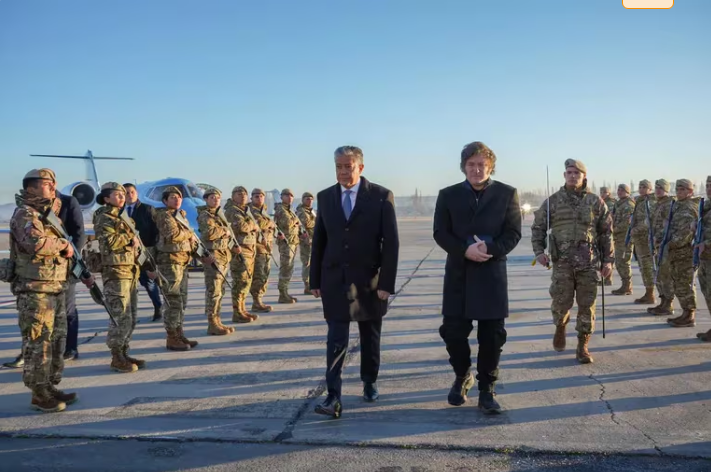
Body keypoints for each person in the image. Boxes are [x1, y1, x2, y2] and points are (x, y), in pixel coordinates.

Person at [310, 145, 399, 419]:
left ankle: (369, 380)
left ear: (360, 167)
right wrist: (314, 279)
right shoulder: (325, 197)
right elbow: (320, 240)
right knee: (335, 338)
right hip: (334, 279)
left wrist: (387, 282)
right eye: (338, 166)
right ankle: (333, 394)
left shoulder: (381, 196)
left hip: (368, 280)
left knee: (370, 335)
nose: (342, 171)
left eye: (348, 166)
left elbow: (391, 243)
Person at [433, 141, 522, 414]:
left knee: (492, 336)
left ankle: (487, 389)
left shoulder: (507, 194)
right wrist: (465, 250)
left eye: (482, 164)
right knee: (453, 332)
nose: (476, 169)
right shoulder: (447, 195)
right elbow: (440, 232)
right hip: (459, 273)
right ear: (464, 167)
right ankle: (462, 375)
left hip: (491, 274)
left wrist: (490, 249)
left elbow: (513, 233)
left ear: (491, 166)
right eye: (471, 164)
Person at [9, 168, 85, 411]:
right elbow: (35, 243)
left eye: (53, 183)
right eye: (47, 183)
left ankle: (50, 386)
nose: (53, 187)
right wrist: (63, 243)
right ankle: (38, 393)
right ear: (31, 187)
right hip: (35, 290)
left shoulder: (49, 215)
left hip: (55, 286)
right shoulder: (26, 214)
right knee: (38, 342)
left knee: (56, 340)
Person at [531, 159, 613, 364]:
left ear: (584, 176)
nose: (573, 176)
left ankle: (582, 345)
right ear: (564, 175)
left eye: (577, 173)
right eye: (569, 172)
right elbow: (538, 227)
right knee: (561, 301)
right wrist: (539, 252)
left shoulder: (596, 202)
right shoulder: (553, 201)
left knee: (587, 304)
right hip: (562, 263)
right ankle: (560, 326)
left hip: (589, 262)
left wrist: (608, 261)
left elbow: (606, 233)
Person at [3, 188, 86, 368]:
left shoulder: (68, 202)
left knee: (67, 310)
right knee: (34, 318)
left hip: (64, 266)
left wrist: (72, 259)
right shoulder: (30, 208)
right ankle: (28, 353)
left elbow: (78, 234)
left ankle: (70, 348)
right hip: (38, 273)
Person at [93, 182, 144, 372]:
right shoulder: (104, 218)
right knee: (119, 315)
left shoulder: (123, 217)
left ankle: (124, 351)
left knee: (130, 316)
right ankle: (116, 356)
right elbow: (108, 242)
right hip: (115, 272)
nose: (122, 197)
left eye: (123, 194)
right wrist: (130, 239)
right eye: (117, 194)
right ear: (106, 198)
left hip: (130, 270)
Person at [153, 186, 199, 351]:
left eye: (178, 197)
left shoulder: (180, 216)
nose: (176, 200)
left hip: (182, 262)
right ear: (165, 201)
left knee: (181, 301)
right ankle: (171, 337)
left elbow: (187, 238)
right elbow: (172, 235)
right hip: (170, 264)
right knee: (172, 301)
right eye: (172, 197)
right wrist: (189, 233)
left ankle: (179, 333)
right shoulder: (164, 216)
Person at [197, 187, 236, 335]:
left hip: (223, 255)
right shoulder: (204, 215)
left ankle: (217, 320)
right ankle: (212, 323)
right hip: (213, 256)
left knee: (220, 291)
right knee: (213, 291)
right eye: (212, 197)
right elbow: (208, 233)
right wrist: (224, 231)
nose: (215, 200)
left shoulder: (219, 215)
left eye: (218, 197)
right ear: (206, 199)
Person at [123, 183, 163, 323]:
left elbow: (156, 231)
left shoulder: (147, 209)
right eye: (126, 192)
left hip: (145, 251)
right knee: (128, 284)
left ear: (137, 193)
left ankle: (158, 306)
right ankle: (130, 313)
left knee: (149, 282)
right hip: (126, 253)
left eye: (132, 192)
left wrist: (154, 251)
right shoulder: (119, 211)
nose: (129, 195)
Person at [665, 179, 699, 328]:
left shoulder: (689, 208)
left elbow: (686, 233)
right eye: (678, 189)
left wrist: (670, 244)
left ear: (690, 191)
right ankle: (685, 312)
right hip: (676, 253)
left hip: (685, 253)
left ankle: (689, 315)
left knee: (685, 284)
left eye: (683, 189)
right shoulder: (678, 206)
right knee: (678, 283)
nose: (679, 192)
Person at [224, 186, 259, 323]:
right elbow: (242, 227)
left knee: (246, 281)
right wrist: (252, 224)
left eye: (244, 194)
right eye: (239, 194)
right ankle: (237, 312)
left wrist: (251, 224)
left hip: (250, 250)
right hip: (240, 251)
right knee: (240, 281)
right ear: (233, 196)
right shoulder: (232, 211)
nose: (243, 196)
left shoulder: (245, 211)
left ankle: (242, 309)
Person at [647, 179, 676, 316]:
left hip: (664, 244)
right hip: (656, 244)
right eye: (656, 187)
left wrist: (659, 238)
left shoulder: (669, 204)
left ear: (666, 190)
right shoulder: (658, 204)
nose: (658, 190)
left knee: (665, 275)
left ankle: (668, 304)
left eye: (661, 188)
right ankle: (663, 301)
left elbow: (668, 226)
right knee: (658, 274)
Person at [249, 188, 276, 313]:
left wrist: (270, 225)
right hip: (258, 247)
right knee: (259, 275)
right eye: (256, 196)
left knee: (265, 274)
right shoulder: (250, 211)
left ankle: (259, 299)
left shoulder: (263, 211)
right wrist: (269, 224)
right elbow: (258, 224)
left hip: (267, 247)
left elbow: (272, 225)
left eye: (261, 196)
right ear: (251, 198)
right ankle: (256, 301)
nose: (259, 198)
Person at [629, 180, 657, 304]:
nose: (641, 189)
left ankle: (651, 294)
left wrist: (635, 229)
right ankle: (648, 292)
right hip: (639, 240)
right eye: (640, 186)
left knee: (647, 267)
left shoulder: (650, 202)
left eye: (644, 187)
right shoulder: (640, 201)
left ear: (650, 189)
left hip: (646, 241)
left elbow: (648, 222)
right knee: (643, 267)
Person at [274, 189, 301, 303]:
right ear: (281, 197)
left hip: (292, 242)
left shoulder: (289, 210)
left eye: (291, 195)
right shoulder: (281, 210)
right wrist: (295, 220)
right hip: (286, 243)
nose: (289, 197)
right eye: (286, 195)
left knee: (289, 268)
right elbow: (288, 223)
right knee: (285, 268)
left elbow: (296, 224)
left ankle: (285, 293)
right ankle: (282, 294)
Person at [611, 184, 635, 296]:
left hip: (625, 238)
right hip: (618, 238)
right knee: (619, 262)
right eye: (619, 190)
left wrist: (613, 230)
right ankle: (625, 285)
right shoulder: (619, 204)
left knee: (624, 262)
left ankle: (627, 286)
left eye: (622, 190)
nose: (619, 192)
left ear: (627, 192)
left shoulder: (628, 205)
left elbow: (626, 224)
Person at [695, 176, 711, 341]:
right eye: (707, 185)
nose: (708, 188)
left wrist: (707, 242)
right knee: (707, 293)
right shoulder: (705, 206)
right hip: (705, 258)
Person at [296, 192, 316, 294]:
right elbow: (306, 223)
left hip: (313, 239)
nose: (309, 200)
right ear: (303, 200)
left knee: (313, 263)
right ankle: (307, 286)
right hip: (306, 241)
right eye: (307, 198)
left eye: (311, 199)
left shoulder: (311, 211)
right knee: (307, 263)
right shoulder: (302, 211)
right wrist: (317, 221)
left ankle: (312, 284)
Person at [599, 186, 616, 286]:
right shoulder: (602, 202)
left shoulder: (609, 204)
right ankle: (606, 278)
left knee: (608, 255)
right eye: (601, 192)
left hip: (609, 232)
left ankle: (608, 278)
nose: (602, 193)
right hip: (605, 232)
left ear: (608, 193)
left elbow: (608, 219)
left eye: (604, 192)